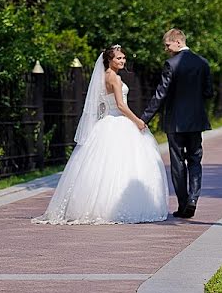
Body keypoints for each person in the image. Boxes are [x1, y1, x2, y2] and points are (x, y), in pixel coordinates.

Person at [34, 45, 169, 224]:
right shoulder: (114, 78)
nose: (122, 61)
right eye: (119, 58)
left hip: (106, 122)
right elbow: (121, 105)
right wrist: (137, 121)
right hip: (119, 120)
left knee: (102, 167)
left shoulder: (103, 76)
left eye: (124, 58)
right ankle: (116, 206)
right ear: (109, 60)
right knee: (123, 165)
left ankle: (96, 206)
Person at [141, 28, 214, 219]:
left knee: (178, 162)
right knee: (195, 160)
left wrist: (144, 118)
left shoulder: (171, 64)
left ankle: (183, 205)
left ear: (178, 42)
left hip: (175, 122)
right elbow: (209, 93)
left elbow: (160, 94)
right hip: (196, 121)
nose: (166, 49)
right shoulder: (203, 63)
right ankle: (193, 200)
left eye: (167, 45)